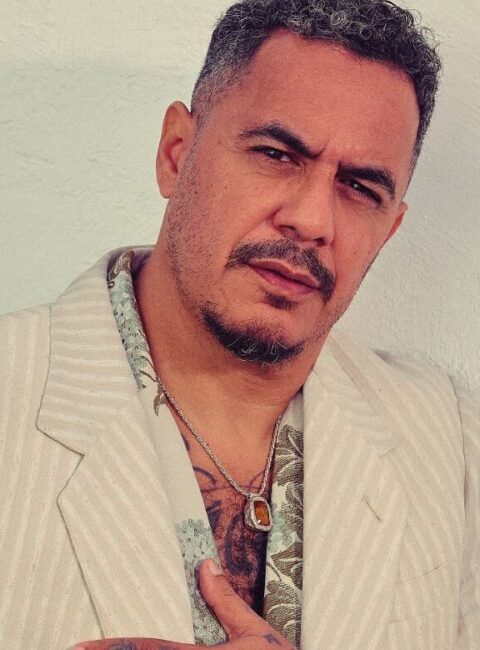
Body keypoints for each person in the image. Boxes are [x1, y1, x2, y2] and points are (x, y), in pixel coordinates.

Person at [0, 0, 478, 648]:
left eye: (361, 188)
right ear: (176, 153)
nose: (312, 220)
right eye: (277, 154)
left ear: (389, 229)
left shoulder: (451, 441)